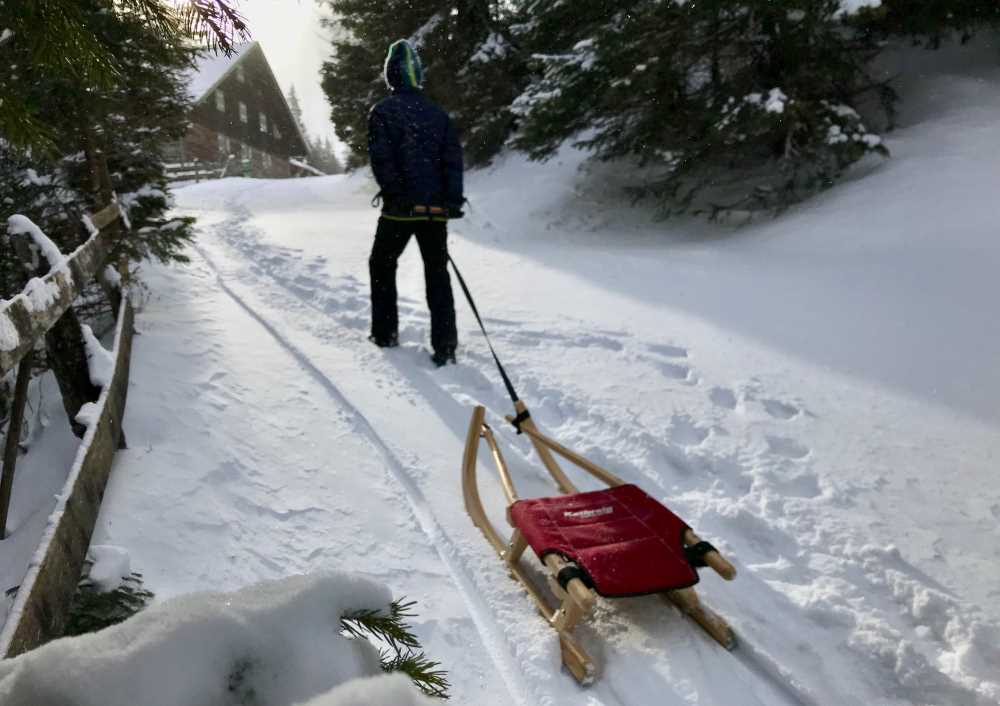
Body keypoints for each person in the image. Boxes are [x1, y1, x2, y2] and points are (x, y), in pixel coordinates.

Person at [367, 38, 464, 367]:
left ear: (391, 76)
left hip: (400, 213)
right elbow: (452, 160)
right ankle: (446, 346)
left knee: (381, 264)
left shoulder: (383, 112)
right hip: (436, 213)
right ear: (417, 75)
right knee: (437, 273)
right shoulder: (439, 115)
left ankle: (385, 333)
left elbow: (382, 160)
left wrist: (397, 194)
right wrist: (451, 200)